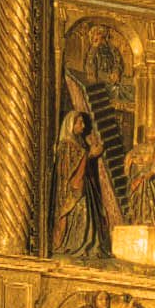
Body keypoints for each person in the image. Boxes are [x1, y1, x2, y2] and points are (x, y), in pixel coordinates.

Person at [50, 107, 106, 259]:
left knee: (86, 216)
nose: (83, 125)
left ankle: (86, 244)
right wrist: (91, 154)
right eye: (79, 122)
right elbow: (71, 168)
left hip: (82, 185)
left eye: (83, 122)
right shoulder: (66, 144)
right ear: (71, 125)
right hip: (72, 189)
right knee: (79, 214)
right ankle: (74, 245)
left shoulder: (77, 144)